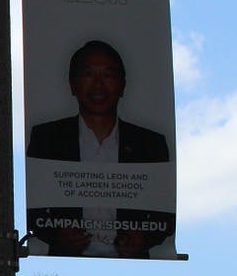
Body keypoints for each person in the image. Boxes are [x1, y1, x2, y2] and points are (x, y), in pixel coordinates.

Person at [26, 39, 173, 258]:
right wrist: (57, 235)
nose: (98, 85)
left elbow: (165, 213)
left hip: (134, 265)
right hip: (61, 262)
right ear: (72, 83)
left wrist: (144, 239)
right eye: (88, 74)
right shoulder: (47, 138)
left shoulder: (150, 143)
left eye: (108, 75)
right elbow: (36, 208)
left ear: (122, 85)